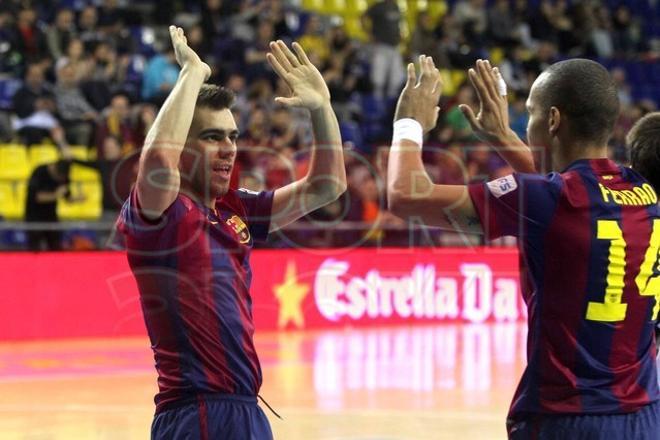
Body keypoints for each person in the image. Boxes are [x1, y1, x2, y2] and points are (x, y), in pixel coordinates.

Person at [387, 56, 660, 439]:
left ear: (552, 120)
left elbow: (404, 196)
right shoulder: (642, 192)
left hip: (566, 420)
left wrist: (408, 122)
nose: (524, 123)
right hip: (646, 415)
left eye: (529, 113)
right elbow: (563, 194)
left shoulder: (549, 198)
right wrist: (501, 136)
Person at [114, 27, 346, 439]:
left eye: (232, 137)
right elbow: (157, 160)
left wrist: (322, 110)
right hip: (197, 413)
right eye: (212, 137)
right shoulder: (158, 214)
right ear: (181, 146)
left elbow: (327, 186)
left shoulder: (233, 209)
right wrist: (192, 73)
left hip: (247, 411)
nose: (228, 148)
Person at [25, 159, 81, 250]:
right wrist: (55, 195)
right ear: (54, 169)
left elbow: (67, 197)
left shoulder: (64, 175)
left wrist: (77, 199)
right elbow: (36, 197)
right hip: (34, 217)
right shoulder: (39, 172)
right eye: (59, 178)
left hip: (51, 217)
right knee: (34, 249)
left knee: (55, 247)